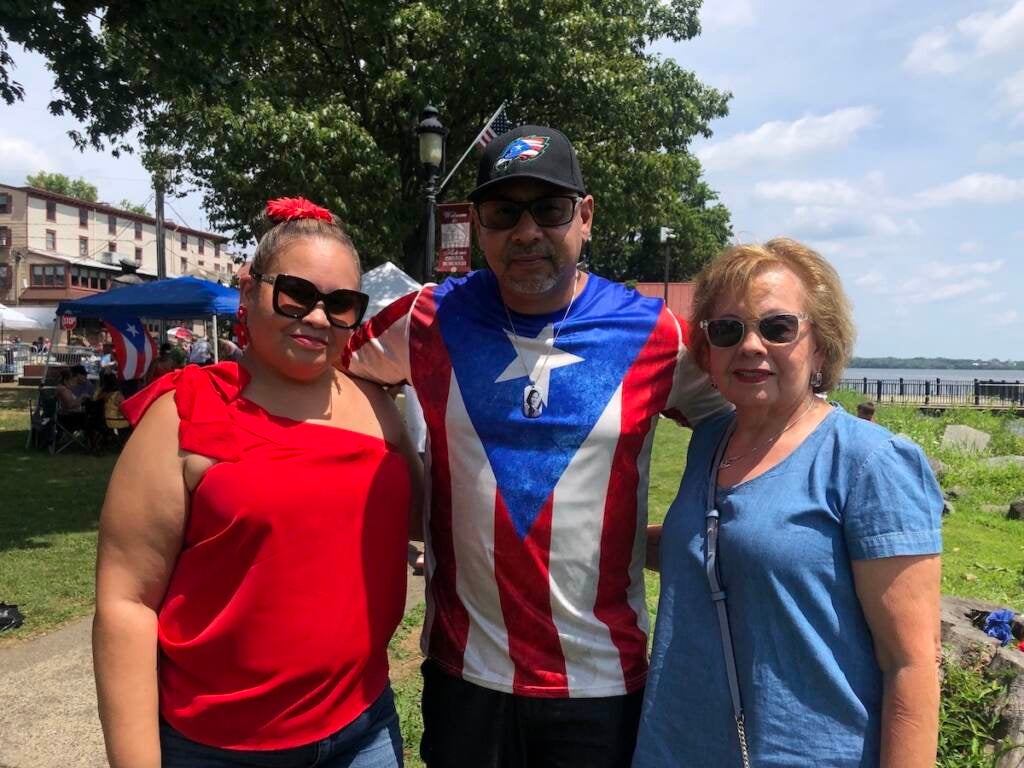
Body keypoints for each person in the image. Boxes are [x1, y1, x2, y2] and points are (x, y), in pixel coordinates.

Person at [344, 125, 727, 768]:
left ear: (585, 215)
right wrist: (400, 493)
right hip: (464, 676)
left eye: (548, 209)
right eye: (503, 212)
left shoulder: (656, 334)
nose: (526, 232)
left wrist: (705, 533)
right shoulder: (424, 319)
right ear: (479, 226)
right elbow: (339, 376)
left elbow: (745, 429)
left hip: (602, 685)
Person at [94, 197, 421, 767]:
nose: (318, 318)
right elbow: (126, 604)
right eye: (296, 294)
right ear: (250, 290)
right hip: (218, 747)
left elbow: (428, 524)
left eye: (341, 304)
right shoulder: (185, 412)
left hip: (363, 731)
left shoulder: (379, 408)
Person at [633, 239, 943, 767]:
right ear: (706, 351)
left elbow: (910, 665)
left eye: (777, 328)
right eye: (728, 330)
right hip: (675, 747)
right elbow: (713, 551)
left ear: (820, 345)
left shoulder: (870, 462)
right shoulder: (711, 441)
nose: (751, 346)